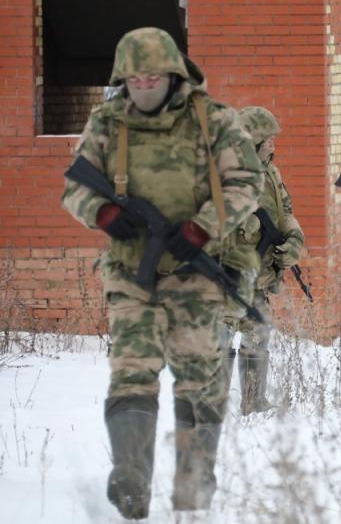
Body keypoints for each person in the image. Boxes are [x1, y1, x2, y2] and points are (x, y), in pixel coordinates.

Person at [61, 28, 263, 518]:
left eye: (153, 77)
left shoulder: (214, 121)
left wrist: (201, 228)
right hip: (132, 273)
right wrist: (105, 214)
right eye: (134, 78)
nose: (144, 86)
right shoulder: (107, 124)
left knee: (198, 382)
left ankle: (193, 491)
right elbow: (75, 188)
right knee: (131, 373)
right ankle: (131, 479)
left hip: (194, 277)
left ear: (174, 75)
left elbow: (246, 183)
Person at [219, 106, 304, 415]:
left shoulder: (269, 170)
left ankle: (253, 402)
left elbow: (285, 211)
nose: (273, 144)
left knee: (258, 333)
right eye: (267, 139)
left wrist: (294, 239)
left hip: (260, 273)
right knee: (221, 336)